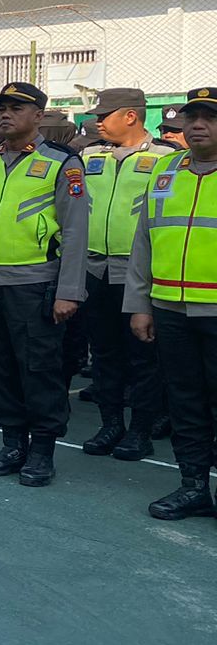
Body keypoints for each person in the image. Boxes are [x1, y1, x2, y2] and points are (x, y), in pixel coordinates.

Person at [0, 81, 88, 487]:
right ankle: (12, 443)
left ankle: (42, 450)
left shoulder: (64, 163)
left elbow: (76, 232)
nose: (5, 115)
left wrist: (69, 291)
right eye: (2, 108)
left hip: (34, 285)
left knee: (39, 368)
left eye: (16, 108)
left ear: (38, 116)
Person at [124, 86, 217, 520]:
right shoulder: (165, 171)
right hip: (170, 310)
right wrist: (139, 304)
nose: (197, 125)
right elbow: (144, 241)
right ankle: (194, 486)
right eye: (192, 117)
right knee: (185, 402)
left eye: (209, 118)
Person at [75, 88, 177, 461]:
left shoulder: (167, 159)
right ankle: (111, 424)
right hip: (94, 269)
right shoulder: (89, 156)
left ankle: (140, 431)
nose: (97, 121)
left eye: (105, 114)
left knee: (142, 357)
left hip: (138, 274)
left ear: (131, 116)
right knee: (104, 354)